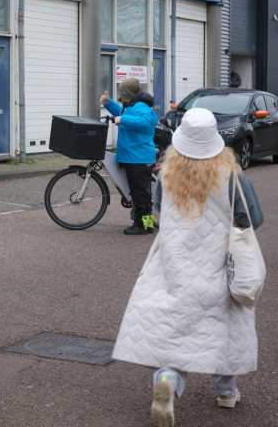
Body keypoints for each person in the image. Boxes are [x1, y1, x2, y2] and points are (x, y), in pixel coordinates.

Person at [112, 108, 263, 427]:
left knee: (176, 330)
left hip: (175, 264)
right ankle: (226, 392)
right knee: (223, 330)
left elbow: (158, 210)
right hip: (219, 267)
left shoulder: (166, 174)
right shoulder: (233, 177)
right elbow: (253, 219)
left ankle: (167, 380)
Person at [100, 77, 158, 235]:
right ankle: (148, 222)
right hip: (133, 156)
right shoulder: (131, 105)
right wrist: (108, 102)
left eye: (123, 91)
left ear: (128, 92)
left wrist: (122, 119)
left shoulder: (141, 106)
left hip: (138, 157)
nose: (122, 94)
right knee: (142, 192)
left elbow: (144, 122)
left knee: (139, 192)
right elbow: (120, 112)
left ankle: (140, 225)